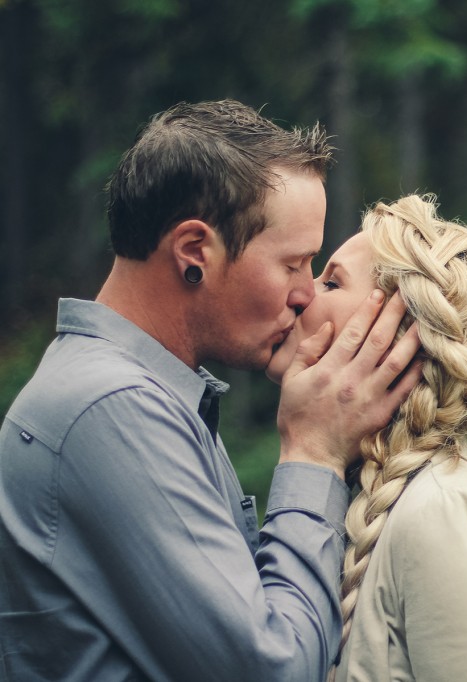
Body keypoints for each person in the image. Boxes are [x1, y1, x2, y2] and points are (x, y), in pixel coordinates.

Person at [0, 100, 421, 681]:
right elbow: (270, 671)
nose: (305, 294)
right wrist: (313, 453)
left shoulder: (150, 396)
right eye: (294, 264)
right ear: (195, 251)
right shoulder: (112, 409)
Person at [266, 194, 467, 681]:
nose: (301, 293)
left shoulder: (448, 513)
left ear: (401, 334)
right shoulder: (353, 492)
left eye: (331, 281)